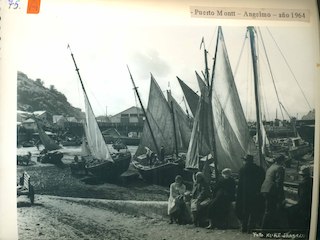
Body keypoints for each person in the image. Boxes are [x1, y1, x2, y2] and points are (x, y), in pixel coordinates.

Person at [236, 154, 265, 233]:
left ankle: (244, 227)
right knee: (254, 210)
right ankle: (251, 228)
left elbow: (240, 184)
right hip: (255, 193)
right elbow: (262, 180)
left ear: (245, 161)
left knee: (245, 210)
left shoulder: (242, 169)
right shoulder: (259, 169)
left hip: (245, 194)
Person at [260, 154, 285, 230]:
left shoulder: (271, 167)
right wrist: (281, 195)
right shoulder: (280, 168)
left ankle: (269, 228)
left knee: (270, 209)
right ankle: (263, 230)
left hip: (265, 189)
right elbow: (279, 182)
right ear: (282, 161)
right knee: (270, 210)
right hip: (272, 191)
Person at [286, 165, 313, 231]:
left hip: (304, 205)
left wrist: (290, 200)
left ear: (302, 175)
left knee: (289, 210)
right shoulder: (312, 180)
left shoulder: (302, 183)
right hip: (310, 204)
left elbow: (301, 198)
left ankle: (293, 230)